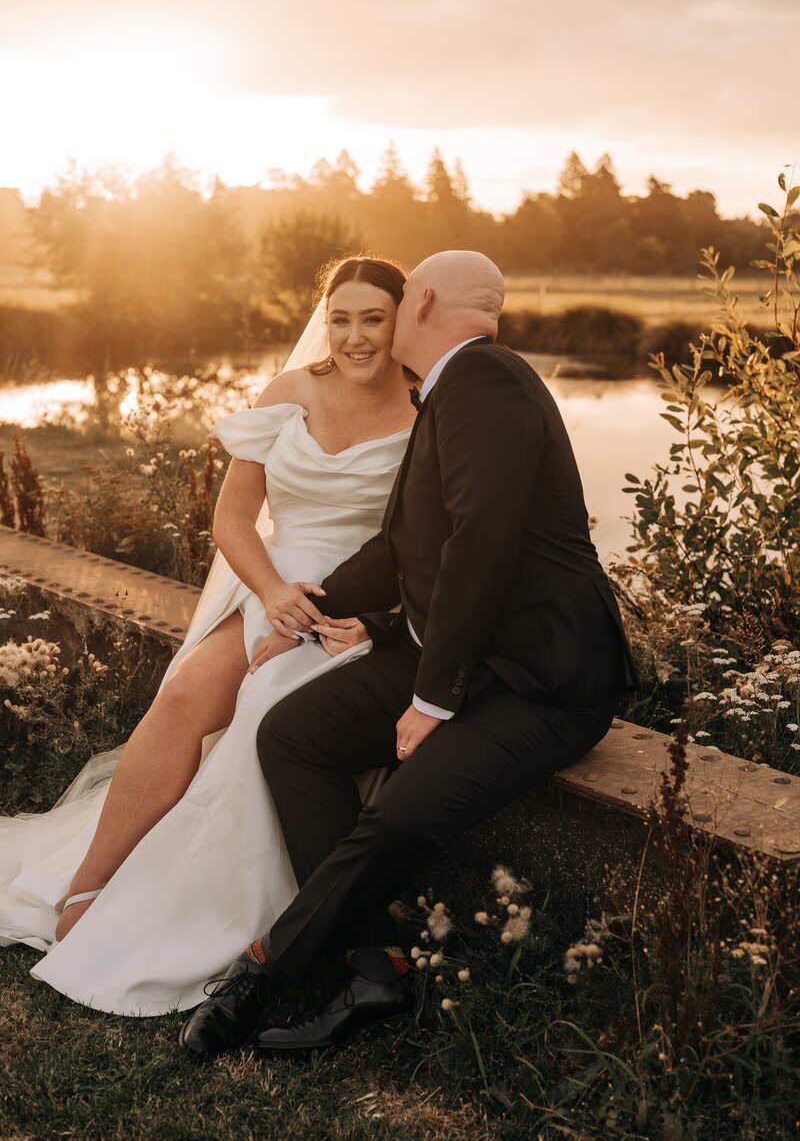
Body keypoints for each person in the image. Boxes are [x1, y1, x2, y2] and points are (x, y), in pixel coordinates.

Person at [179, 249, 641, 1060]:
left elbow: (480, 546)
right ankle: (377, 968)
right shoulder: (450, 389)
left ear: (419, 301)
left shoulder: (488, 380)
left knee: (402, 811)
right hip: (458, 650)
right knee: (292, 736)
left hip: (542, 680)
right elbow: (401, 548)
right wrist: (306, 612)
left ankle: (261, 975)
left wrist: (431, 701)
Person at [0, 255, 417, 1015]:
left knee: (266, 710)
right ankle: (91, 879)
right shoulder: (290, 393)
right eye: (341, 319)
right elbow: (231, 518)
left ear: (403, 321)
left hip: (352, 608)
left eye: (374, 319)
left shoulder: (429, 409)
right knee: (189, 689)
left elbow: (430, 545)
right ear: (325, 323)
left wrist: (357, 620)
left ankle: (210, 911)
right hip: (268, 582)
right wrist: (270, 593)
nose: (356, 338)